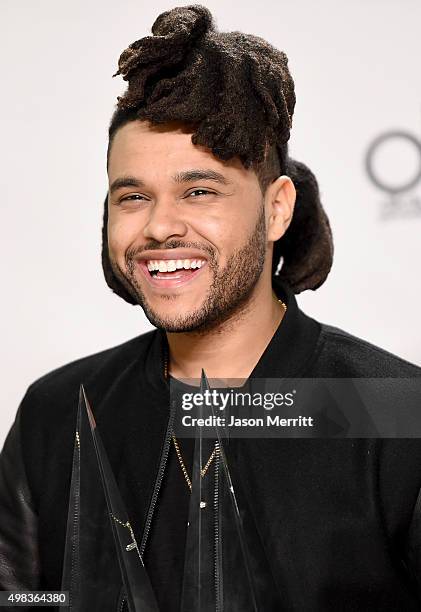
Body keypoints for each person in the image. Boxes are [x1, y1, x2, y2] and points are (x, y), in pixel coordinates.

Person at [1, 5, 421, 611]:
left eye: (199, 191)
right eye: (133, 197)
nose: (160, 225)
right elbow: (24, 601)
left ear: (277, 209)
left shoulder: (393, 414)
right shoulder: (61, 409)